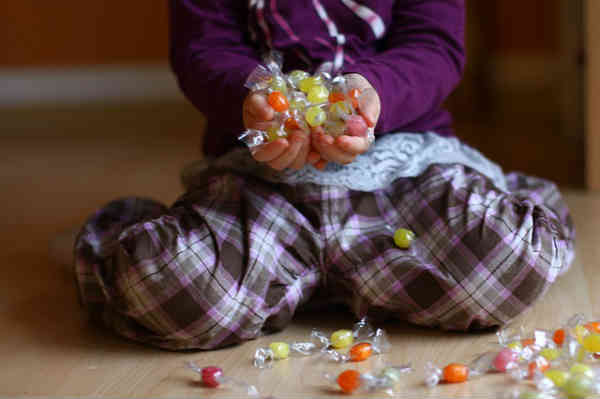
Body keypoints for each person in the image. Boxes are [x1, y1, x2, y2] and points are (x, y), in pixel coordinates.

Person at [72, 0, 575, 351]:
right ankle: (352, 275)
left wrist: (373, 94)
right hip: (262, 183)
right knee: (166, 288)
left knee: (509, 258)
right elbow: (201, 48)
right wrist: (253, 100)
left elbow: (436, 45)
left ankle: (310, 278)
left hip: (403, 170)